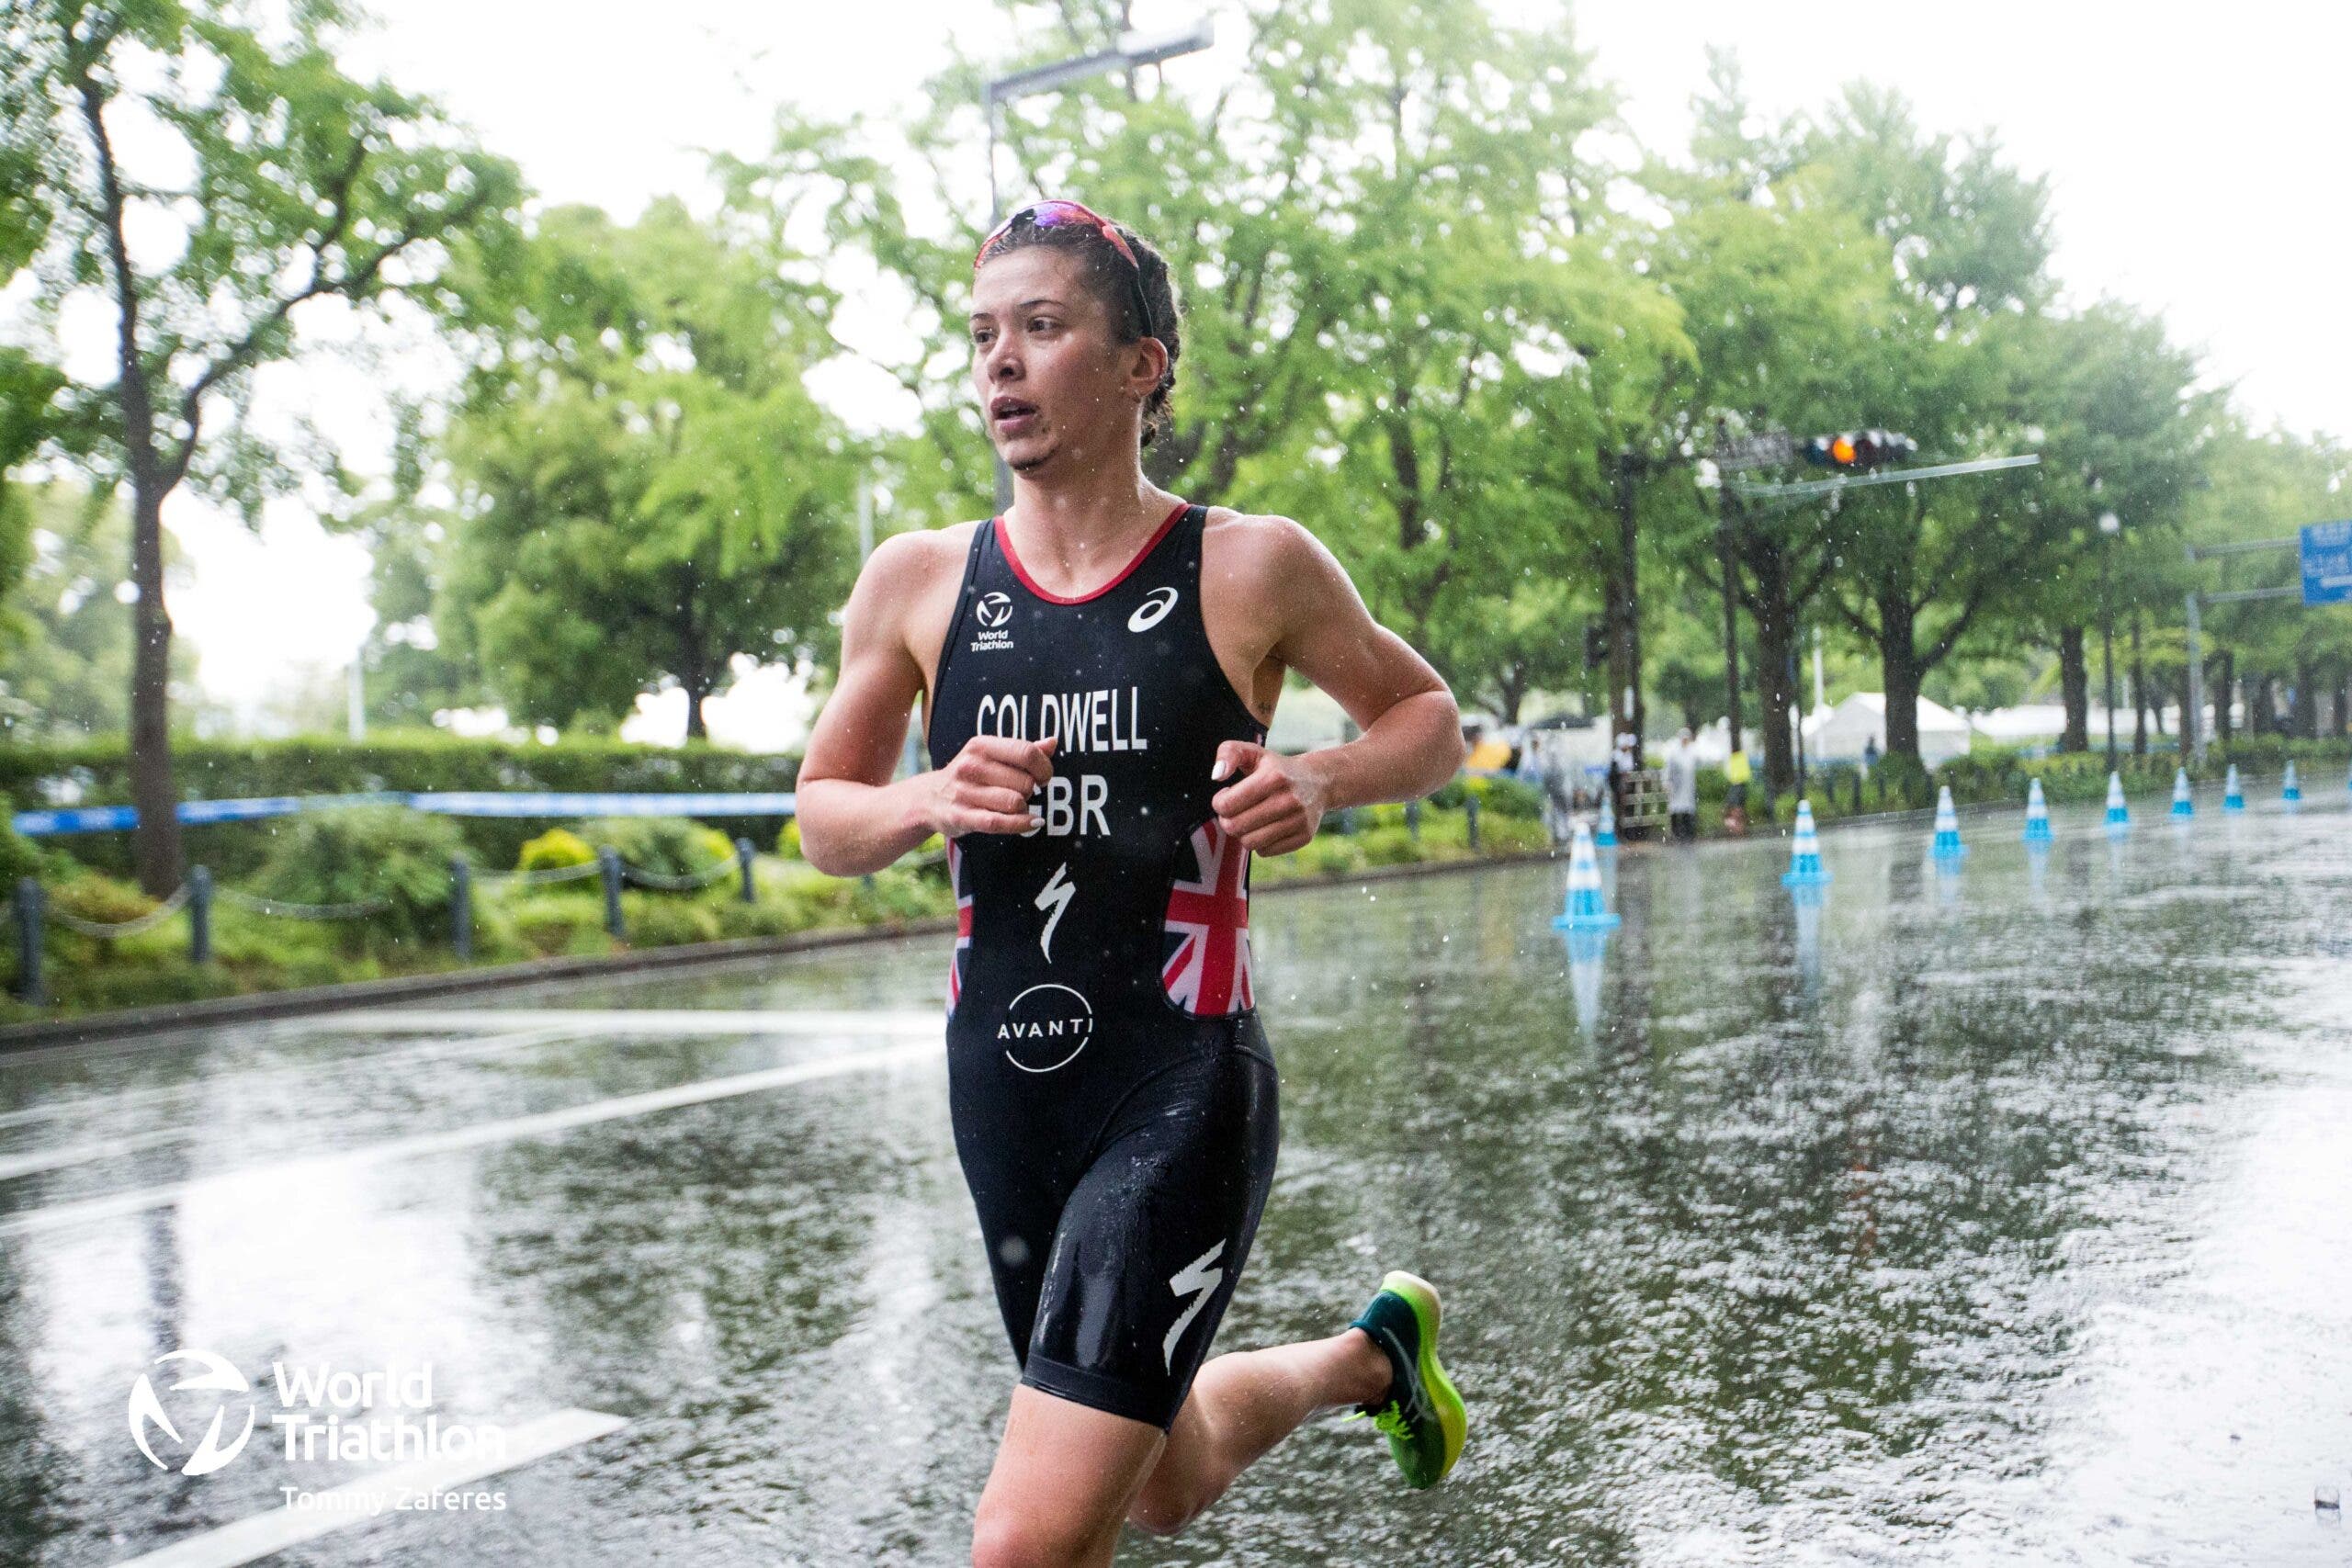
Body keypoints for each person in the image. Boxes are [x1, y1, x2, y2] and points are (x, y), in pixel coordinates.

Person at [794, 199, 1470, 1568]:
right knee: (1150, 1481)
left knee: (1024, 1537)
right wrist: (926, 795)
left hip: (1182, 1074)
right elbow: (823, 814)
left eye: (1040, 328)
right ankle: (1367, 1359)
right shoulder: (919, 582)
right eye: (984, 335)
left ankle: (1359, 1360)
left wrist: (1324, 779)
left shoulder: (1252, 563)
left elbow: (1430, 717)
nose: (999, 364)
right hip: (1002, 1085)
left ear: (1139, 364)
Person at [1665, 724, 1699, 842]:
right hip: (1676, 786)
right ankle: (1676, 833)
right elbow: (1668, 769)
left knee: (1687, 810)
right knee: (1675, 809)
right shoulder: (1674, 753)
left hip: (1688, 786)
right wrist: (1667, 783)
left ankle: (1688, 834)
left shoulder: (1691, 753)